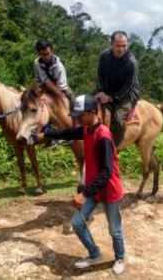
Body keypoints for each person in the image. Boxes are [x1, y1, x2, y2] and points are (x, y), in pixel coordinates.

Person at [37, 94, 126, 275]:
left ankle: (120, 257)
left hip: (109, 190)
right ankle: (95, 254)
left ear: (92, 112)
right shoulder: (86, 128)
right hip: (94, 189)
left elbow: (106, 172)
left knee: (114, 230)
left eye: (80, 115)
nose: (77, 118)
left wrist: (84, 194)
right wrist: (47, 133)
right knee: (78, 223)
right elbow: (68, 132)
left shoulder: (104, 136)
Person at [96, 30, 140, 147]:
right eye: (118, 46)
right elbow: (100, 75)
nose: (121, 49)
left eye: (124, 46)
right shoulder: (104, 56)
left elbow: (128, 87)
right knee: (87, 105)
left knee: (118, 120)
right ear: (111, 45)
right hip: (107, 90)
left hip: (126, 94)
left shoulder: (131, 62)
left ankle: (113, 147)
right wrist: (101, 91)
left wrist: (111, 98)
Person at [33, 39, 75, 105]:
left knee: (72, 98)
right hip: (43, 86)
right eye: (43, 54)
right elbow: (38, 78)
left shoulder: (59, 66)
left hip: (59, 88)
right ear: (38, 53)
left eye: (47, 54)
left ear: (52, 51)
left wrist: (50, 86)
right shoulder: (36, 63)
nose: (46, 57)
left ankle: (75, 112)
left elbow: (62, 86)